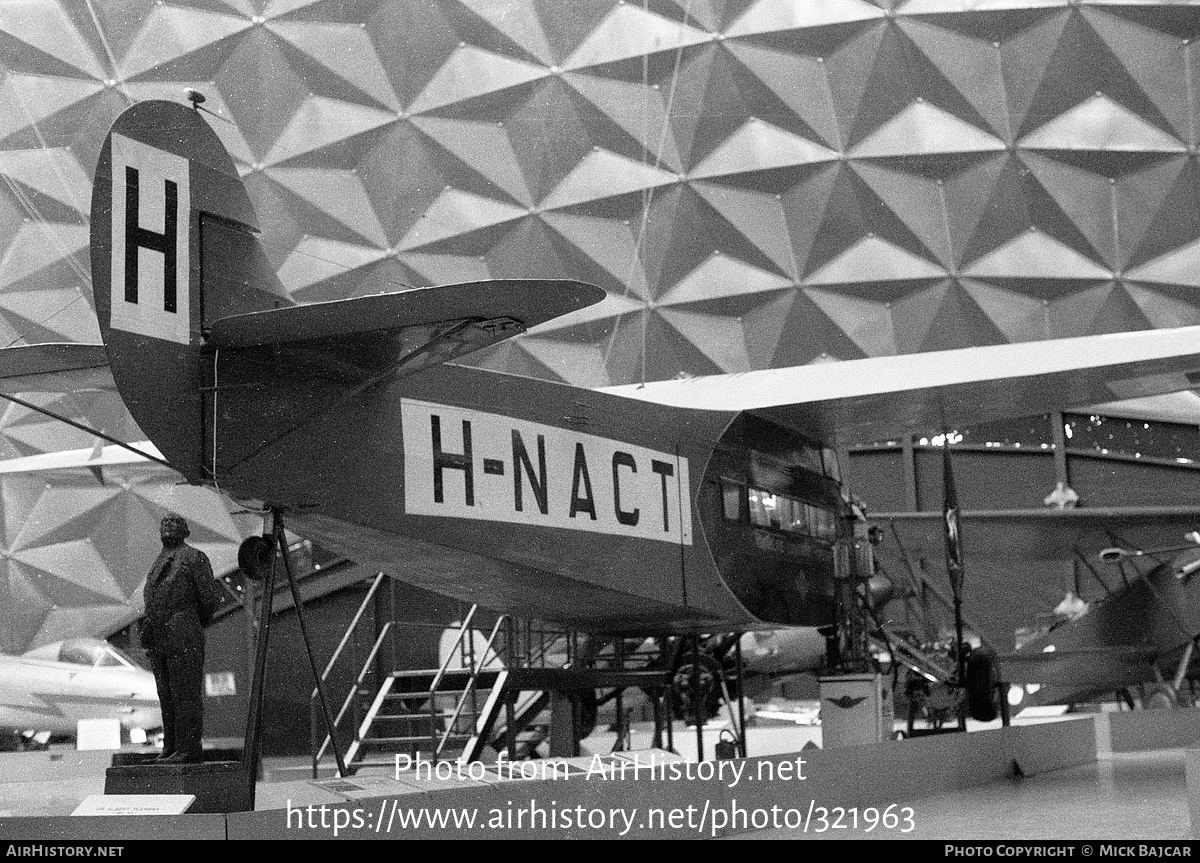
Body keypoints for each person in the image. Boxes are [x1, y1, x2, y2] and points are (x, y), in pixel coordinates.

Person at [142, 513, 225, 764]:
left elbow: (209, 599)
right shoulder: (158, 561)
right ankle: (170, 748)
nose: (168, 525)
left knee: (185, 693)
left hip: (183, 632)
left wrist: (187, 623)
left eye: (175, 523)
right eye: (165, 522)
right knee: (165, 694)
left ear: (186, 532)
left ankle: (187, 749)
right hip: (159, 636)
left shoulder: (194, 557)